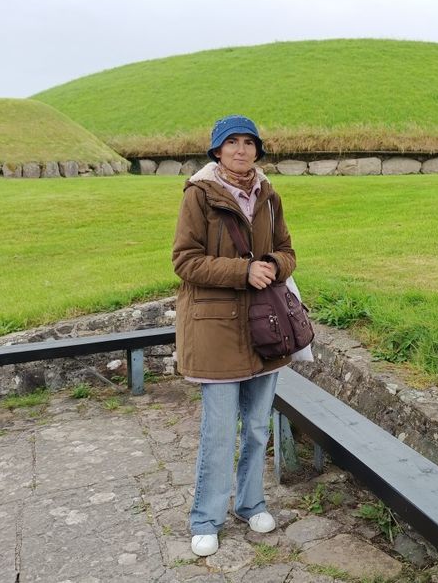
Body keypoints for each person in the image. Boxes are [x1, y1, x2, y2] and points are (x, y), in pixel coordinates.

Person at [171, 115, 296, 557]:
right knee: (220, 431)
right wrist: (243, 271)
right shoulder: (199, 195)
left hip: (264, 328)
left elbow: (287, 251)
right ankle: (205, 518)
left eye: (249, 142)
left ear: (258, 150)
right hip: (215, 329)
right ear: (217, 150)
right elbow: (185, 261)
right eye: (232, 142)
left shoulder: (268, 194)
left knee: (258, 428)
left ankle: (250, 503)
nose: (242, 150)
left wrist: (274, 266)